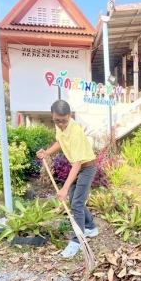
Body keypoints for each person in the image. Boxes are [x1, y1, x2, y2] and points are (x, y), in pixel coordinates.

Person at [36, 100, 98, 258]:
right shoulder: (59, 126)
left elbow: (77, 163)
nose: (61, 124)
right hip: (78, 167)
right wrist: (47, 153)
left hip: (86, 167)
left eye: (64, 120)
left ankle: (78, 240)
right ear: (53, 116)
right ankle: (90, 226)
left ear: (70, 115)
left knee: (76, 203)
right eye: (57, 120)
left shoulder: (75, 130)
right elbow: (60, 142)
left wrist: (63, 188)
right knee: (74, 200)